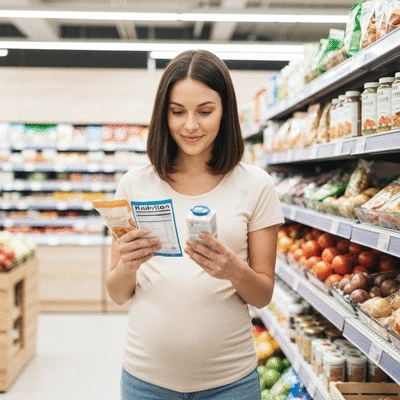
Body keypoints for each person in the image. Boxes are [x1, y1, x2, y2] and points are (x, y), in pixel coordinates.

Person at [107, 49, 285, 400]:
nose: (190, 125)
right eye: (177, 112)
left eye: (205, 111)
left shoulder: (256, 185)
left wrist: (233, 269)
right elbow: (115, 292)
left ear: (225, 112)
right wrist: (128, 265)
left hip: (230, 382)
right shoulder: (134, 185)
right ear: (163, 115)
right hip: (146, 380)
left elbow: (262, 295)